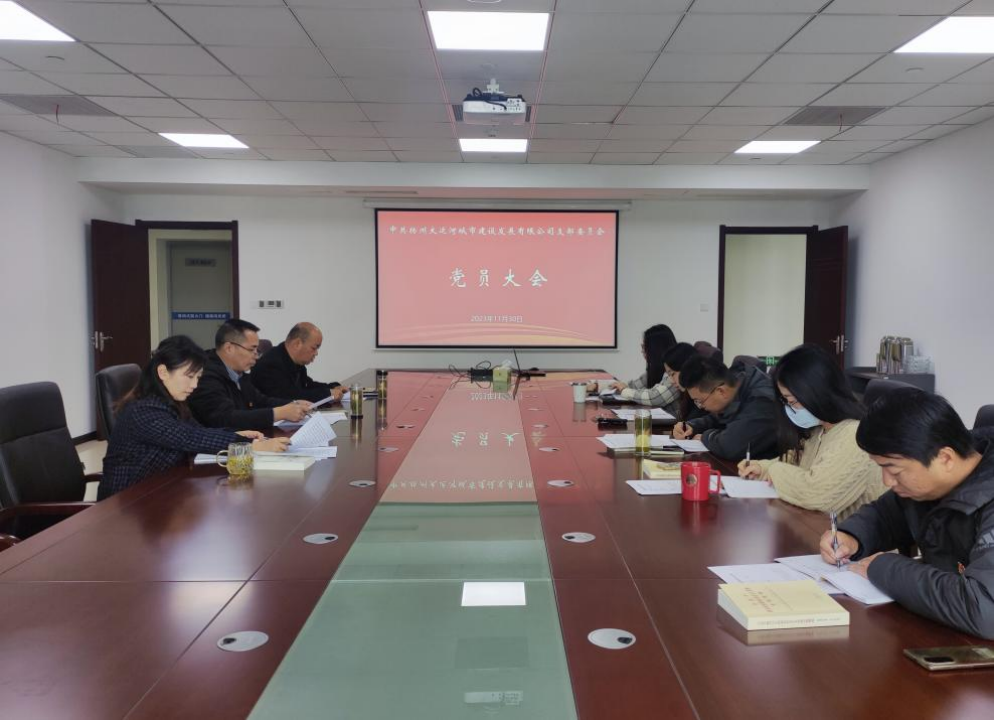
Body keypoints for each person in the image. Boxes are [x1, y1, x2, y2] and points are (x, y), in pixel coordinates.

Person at [820, 388, 994, 639]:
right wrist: (852, 536)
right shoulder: (927, 485)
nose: (887, 481)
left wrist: (885, 568)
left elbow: (985, 609)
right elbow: (887, 514)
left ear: (945, 458)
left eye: (894, 470)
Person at [99, 335, 289, 500]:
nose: (194, 385)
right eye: (189, 376)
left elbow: (197, 430)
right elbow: (191, 438)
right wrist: (249, 445)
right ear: (163, 372)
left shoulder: (170, 401)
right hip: (125, 504)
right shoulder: (144, 411)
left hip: (158, 491)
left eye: (198, 377)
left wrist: (238, 434)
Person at [737, 345, 885, 519]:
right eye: (786, 401)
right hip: (821, 529)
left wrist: (774, 471)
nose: (790, 409)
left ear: (817, 393)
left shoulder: (854, 436)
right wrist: (762, 468)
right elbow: (797, 461)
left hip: (848, 535)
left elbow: (816, 494)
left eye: (793, 402)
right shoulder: (821, 429)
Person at [188, 319, 311, 432]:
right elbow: (224, 418)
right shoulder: (204, 376)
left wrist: (293, 403)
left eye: (257, 351)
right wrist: (277, 413)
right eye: (252, 350)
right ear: (229, 348)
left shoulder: (239, 374)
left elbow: (261, 401)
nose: (256, 356)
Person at [673, 355, 778, 461]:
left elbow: (732, 446)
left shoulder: (761, 400)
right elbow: (720, 416)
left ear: (721, 391)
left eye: (699, 401)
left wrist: (706, 436)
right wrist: (692, 426)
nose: (700, 406)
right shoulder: (734, 381)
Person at [590, 324, 681, 416]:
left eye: (644, 347)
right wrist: (597, 386)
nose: (642, 351)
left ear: (655, 349)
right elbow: (631, 386)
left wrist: (624, 390)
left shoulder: (675, 371)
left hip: (673, 423)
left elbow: (654, 398)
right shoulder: (656, 369)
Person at [251, 322, 344, 404]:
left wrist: (332, 387)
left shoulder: (295, 361)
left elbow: (307, 385)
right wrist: (327, 394)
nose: (316, 353)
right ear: (297, 344)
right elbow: (290, 397)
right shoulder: (270, 365)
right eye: (314, 348)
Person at [662, 342, 704, 422]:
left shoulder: (704, 397)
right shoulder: (687, 396)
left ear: (686, 367)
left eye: (672, 374)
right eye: (668, 375)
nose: (671, 381)